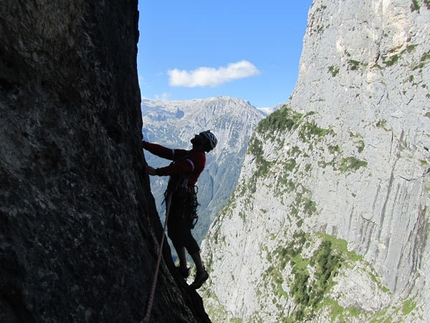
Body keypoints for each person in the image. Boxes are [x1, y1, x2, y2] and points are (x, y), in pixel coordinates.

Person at [143, 130, 217, 289]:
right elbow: (166, 152)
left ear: (202, 142)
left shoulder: (198, 158)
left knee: (183, 233)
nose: (196, 135)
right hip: (179, 198)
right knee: (174, 232)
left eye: (200, 136)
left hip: (183, 200)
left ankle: (201, 271)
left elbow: (181, 167)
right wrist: (144, 145)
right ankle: (183, 268)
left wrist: (156, 172)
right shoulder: (189, 154)